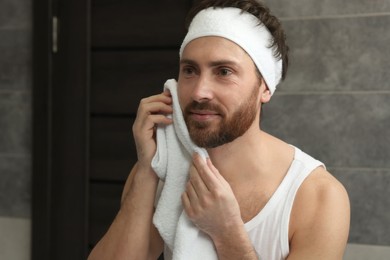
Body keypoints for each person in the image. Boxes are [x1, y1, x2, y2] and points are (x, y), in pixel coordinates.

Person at [88, 0, 350, 259]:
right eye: (189, 70)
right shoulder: (164, 171)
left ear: (265, 87)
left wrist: (226, 232)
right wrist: (146, 169)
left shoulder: (318, 197)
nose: (200, 92)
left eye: (224, 71)